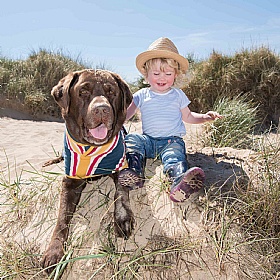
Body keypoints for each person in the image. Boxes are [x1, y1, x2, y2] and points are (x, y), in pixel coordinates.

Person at [118, 37, 222, 203]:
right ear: (146, 74)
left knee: (175, 157)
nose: (162, 78)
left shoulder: (178, 95)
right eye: (156, 73)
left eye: (168, 73)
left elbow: (188, 116)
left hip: (171, 141)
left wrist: (205, 117)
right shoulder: (141, 95)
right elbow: (125, 116)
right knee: (132, 139)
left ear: (176, 74)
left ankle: (179, 183)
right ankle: (134, 172)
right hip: (148, 141)